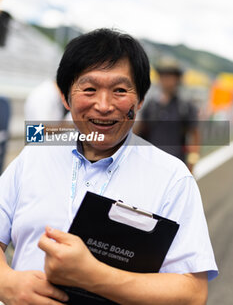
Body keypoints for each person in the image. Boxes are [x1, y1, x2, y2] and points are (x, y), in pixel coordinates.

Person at [0, 29, 217, 305]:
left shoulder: (173, 179)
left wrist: (93, 275)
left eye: (119, 90)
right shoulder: (32, 158)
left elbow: (192, 294)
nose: (103, 106)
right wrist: (6, 282)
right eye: (89, 89)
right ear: (66, 98)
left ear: (139, 101)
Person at [136, 59, 200, 172]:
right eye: (163, 75)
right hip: (149, 162)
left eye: (170, 76)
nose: (166, 80)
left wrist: (192, 162)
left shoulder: (185, 106)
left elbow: (194, 135)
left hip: (175, 164)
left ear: (178, 79)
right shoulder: (150, 104)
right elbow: (139, 130)